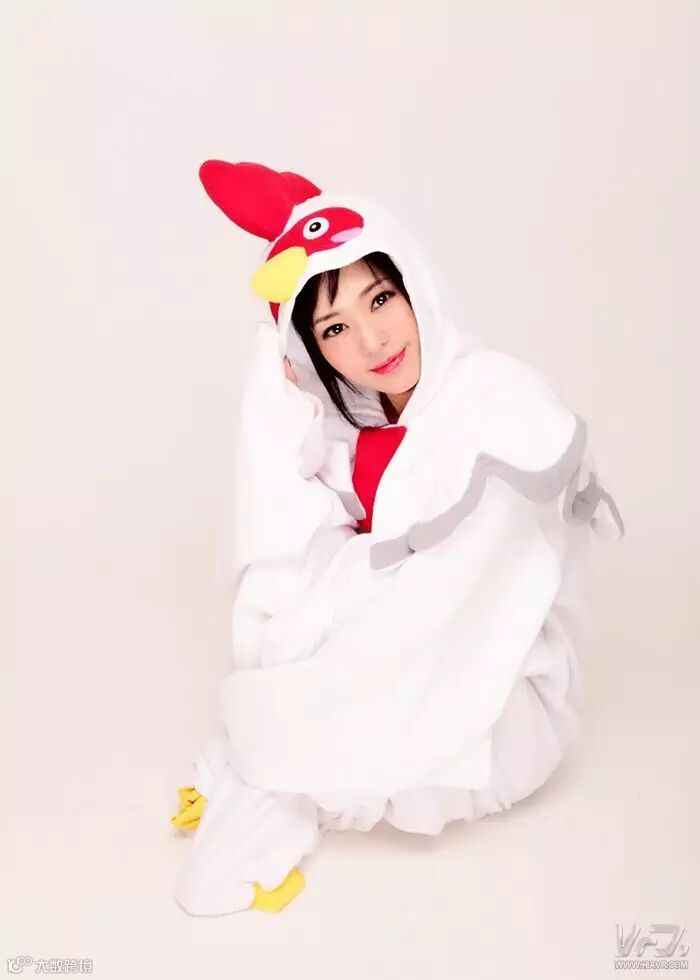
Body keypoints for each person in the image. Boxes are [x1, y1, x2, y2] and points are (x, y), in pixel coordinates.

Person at [169, 159, 626, 916]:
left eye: (381, 297)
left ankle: (295, 759)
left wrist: (349, 613)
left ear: (416, 285)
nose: (372, 340)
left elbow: (468, 595)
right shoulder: (365, 424)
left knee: (333, 664)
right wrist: (270, 375)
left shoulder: (497, 402)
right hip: (414, 639)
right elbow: (295, 517)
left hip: (503, 695)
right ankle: (304, 738)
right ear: (312, 355)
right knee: (305, 603)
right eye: (334, 329)